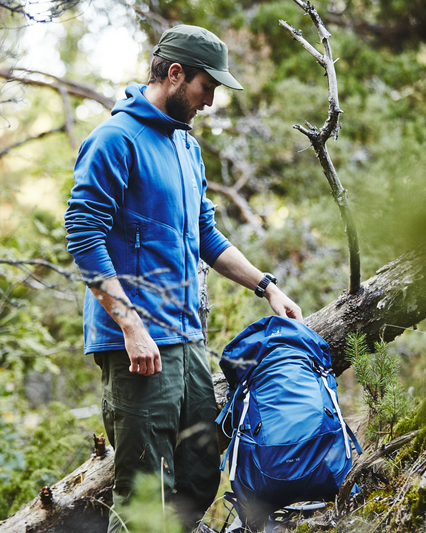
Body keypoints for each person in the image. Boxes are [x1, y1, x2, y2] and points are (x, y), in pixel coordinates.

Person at [64, 25, 303, 532]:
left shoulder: (185, 149)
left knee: (199, 474)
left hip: (186, 337)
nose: (210, 102)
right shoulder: (115, 140)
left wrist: (267, 285)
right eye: (205, 87)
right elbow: (84, 237)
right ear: (175, 74)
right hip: (136, 344)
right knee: (142, 493)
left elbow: (207, 237)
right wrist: (130, 326)